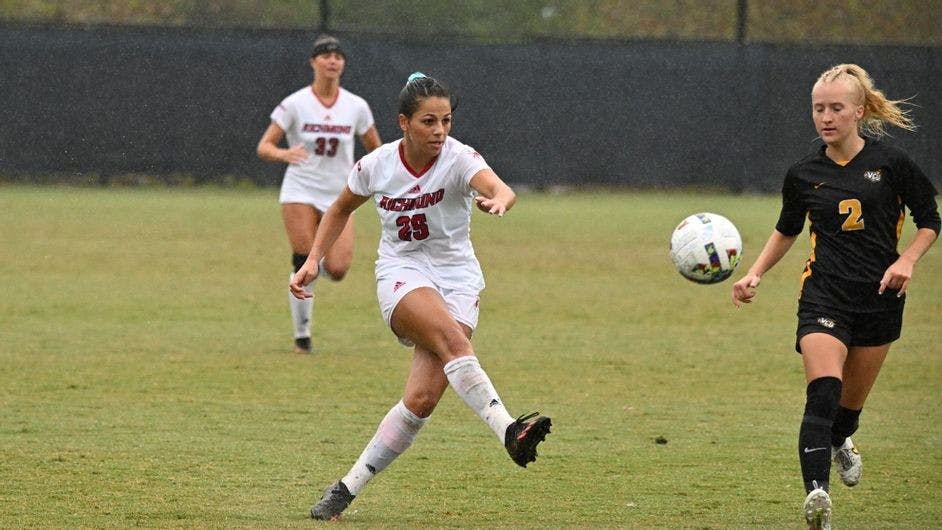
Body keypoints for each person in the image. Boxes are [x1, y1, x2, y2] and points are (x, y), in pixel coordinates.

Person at [289, 72, 552, 520]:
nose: (440, 131)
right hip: (402, 273)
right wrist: (314, 259)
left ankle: (344, 489)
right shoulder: (377, 164)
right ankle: (509, 428)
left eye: (446, 120)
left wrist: (501, 201)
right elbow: (339, 209)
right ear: (403, 123)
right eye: (429, 122)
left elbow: (498, 187)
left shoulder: (459, 158)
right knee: (453, 342)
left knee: (421, 400)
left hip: (458, 278)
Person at [731, 64, 939, 530]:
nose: (825, 117)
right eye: (818, 108)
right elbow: (787, 230)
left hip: (880, 300)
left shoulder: (891, 164)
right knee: (822, 393)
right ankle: (817, 499)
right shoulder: (804, 173)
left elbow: (931, 219)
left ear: (858, 112)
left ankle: (843, 440)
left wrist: (907, 261)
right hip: (823, 297)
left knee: (845, 413)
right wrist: (755, 274)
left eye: (836, 108)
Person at [257, 34, 382, 354]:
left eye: (337, 56)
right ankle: (302, 336)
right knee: (303, 254)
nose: (332, 60)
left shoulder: (356, 106)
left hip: (340, 194)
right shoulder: (295, 103)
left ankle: (307, 272)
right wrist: (284, 154)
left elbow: (376, 150)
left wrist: (374, 174)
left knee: (338, 269)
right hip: (300, 187)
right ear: (313, 62)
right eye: (325, 55)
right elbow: (265, 146)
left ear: (343, 64)